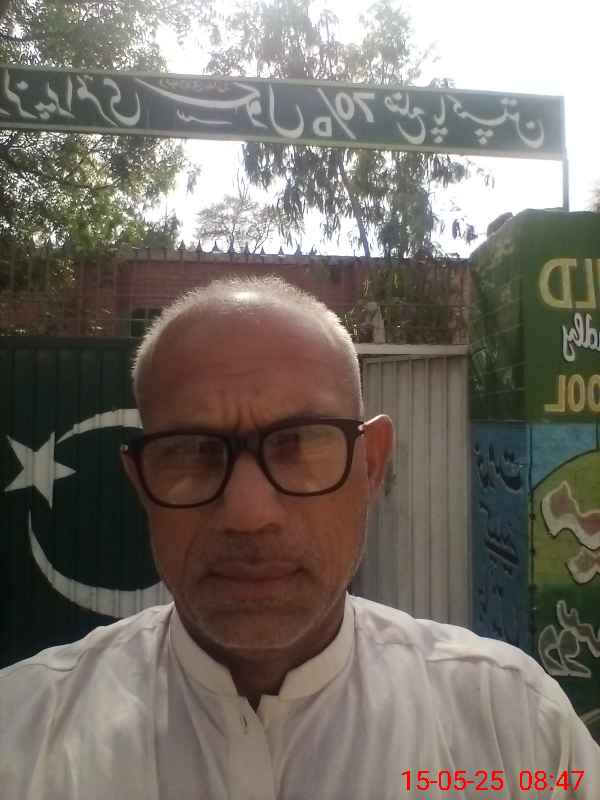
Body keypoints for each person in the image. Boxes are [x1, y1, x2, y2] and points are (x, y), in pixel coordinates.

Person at [1, 276, 598, 800]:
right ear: (141, 483)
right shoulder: (23, 738)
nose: (248, 513)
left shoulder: (514, 731)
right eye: (192, 453)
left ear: (371, 466)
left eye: (299, 445)